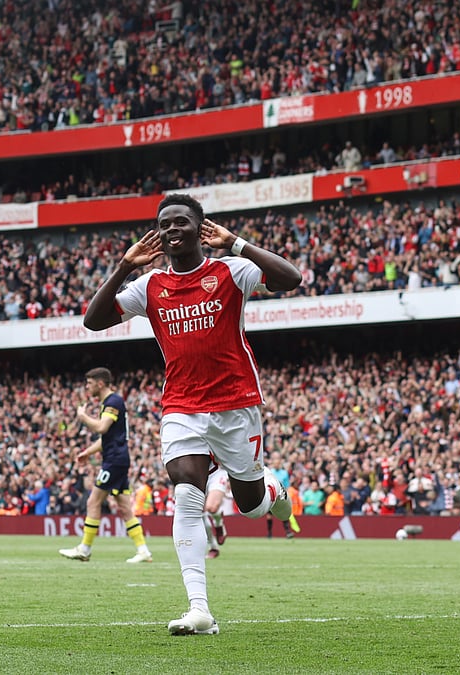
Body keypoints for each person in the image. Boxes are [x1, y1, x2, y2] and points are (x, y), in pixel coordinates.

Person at [84, 193, 302, 636]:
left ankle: (274, 489)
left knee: (250, 507)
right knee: (187, 492)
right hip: (182, 406)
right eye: (164, 225)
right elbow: (94, 320)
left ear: (200, 228)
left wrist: (236, 243)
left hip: (237, 405)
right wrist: (126, 266)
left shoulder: (229, 271)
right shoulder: (150, 287)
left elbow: (291, 278)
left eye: (180, 222)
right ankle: (199, 608)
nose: (170, 230)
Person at [60, 367, 153, 563]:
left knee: (93, 502)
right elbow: (108, 437)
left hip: (114, 461)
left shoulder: (113, 401)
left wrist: (83, 417)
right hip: (118, 459)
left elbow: (102, 427)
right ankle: (143, 550)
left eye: (90, 383)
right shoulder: (111, 402)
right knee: (125, 508)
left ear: (100, 383)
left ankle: (84, 549)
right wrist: (88, 452)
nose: (88, 387)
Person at [203, 468, 230, 558]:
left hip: (216, 471)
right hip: (196, 474)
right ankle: (213, 547)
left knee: (212, 507)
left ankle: (218, 522)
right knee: (201, 514)